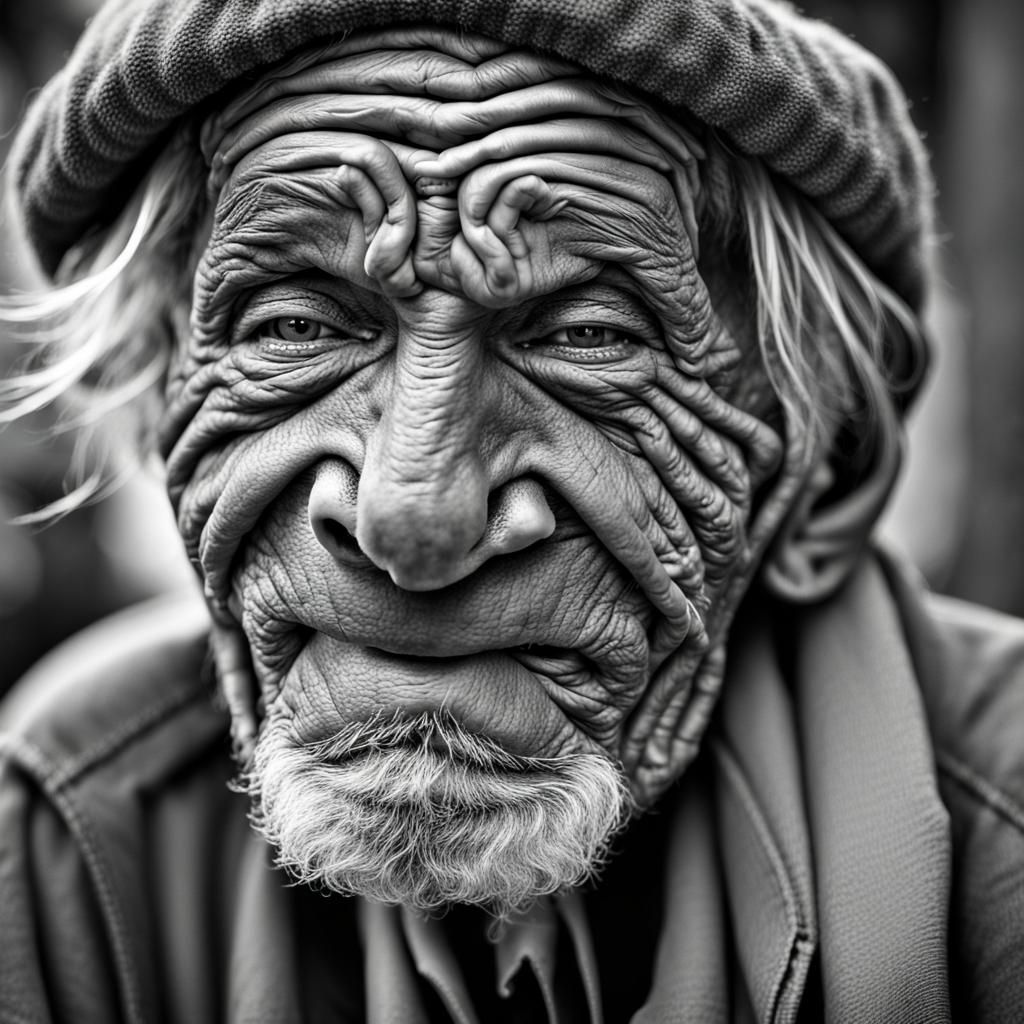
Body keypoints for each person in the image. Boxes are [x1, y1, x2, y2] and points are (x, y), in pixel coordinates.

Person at [1, 0, 1022, 1020]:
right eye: (297, 325)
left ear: (824, 470)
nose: (409, 516)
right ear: (158, 412)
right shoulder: (73, 843)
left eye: (584, 336)